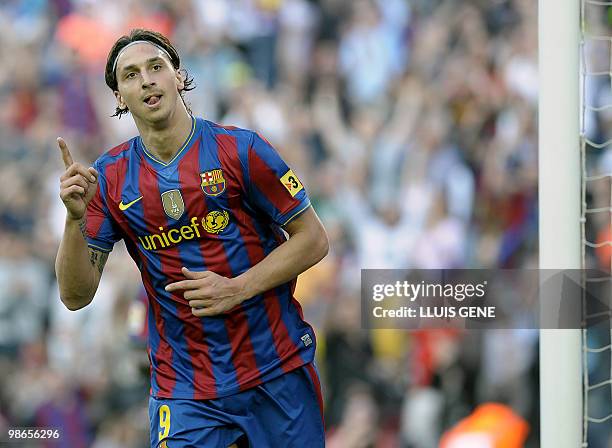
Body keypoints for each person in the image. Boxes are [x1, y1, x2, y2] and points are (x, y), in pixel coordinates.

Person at [55, 28, 328, 448]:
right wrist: (75, 222)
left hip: (276, 370)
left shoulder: (240, 150)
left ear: (178, 77)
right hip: (185, 389)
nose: (146, 79)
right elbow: (75, 296)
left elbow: (313, 239)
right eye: (130, 75)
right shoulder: (108, 180)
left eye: (155, 67)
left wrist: (236, 289)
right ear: (118, 98)